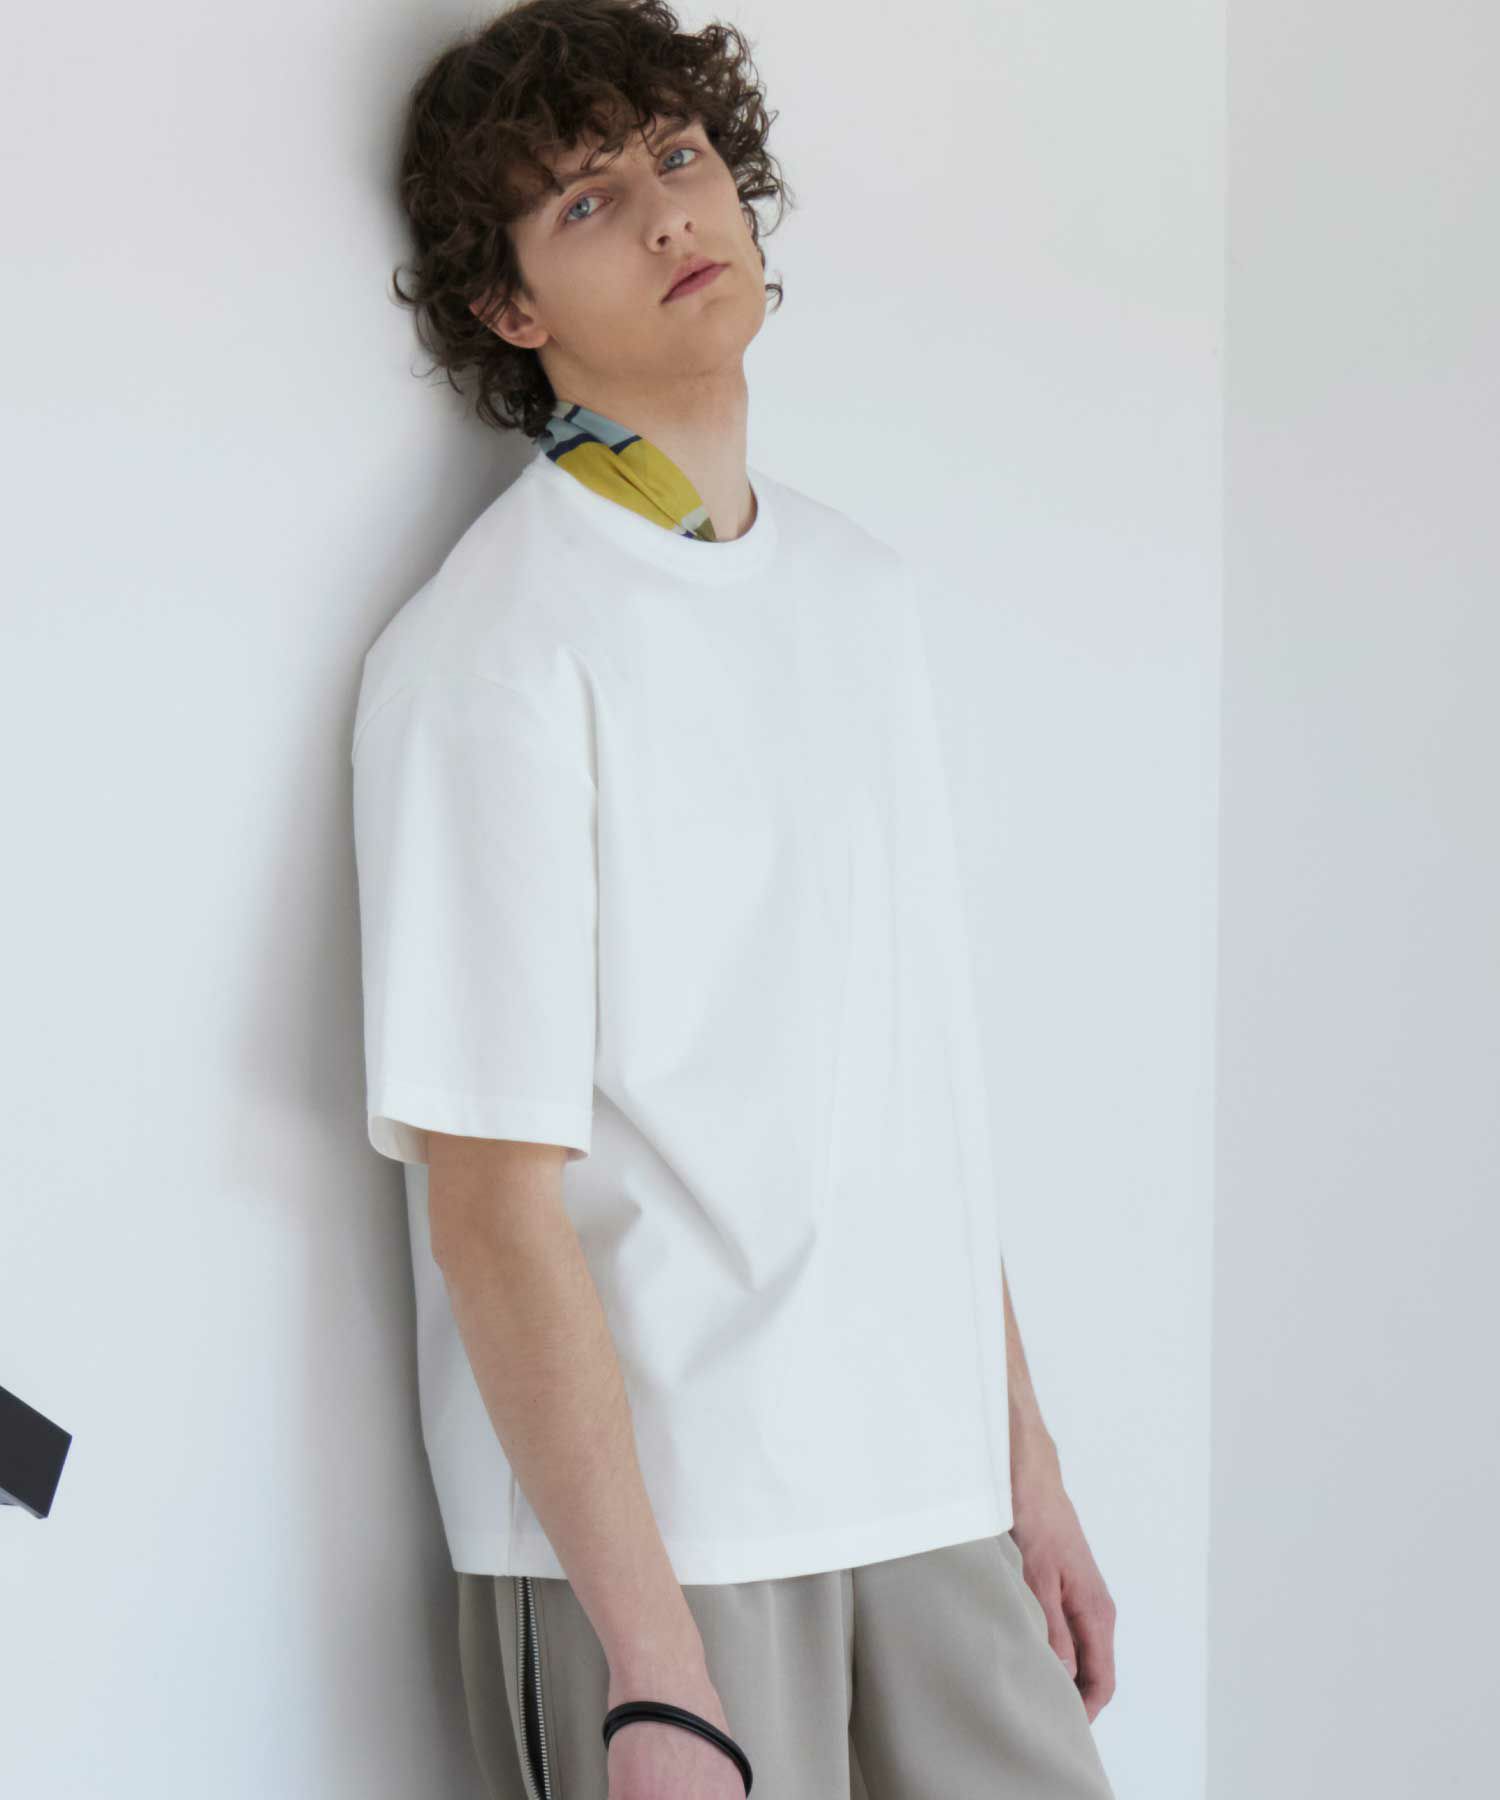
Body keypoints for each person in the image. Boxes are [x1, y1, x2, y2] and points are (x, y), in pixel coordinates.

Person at [350, 3, 1119, 1795]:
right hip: (676, 1548)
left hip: (930, 1502)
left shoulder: (861, 598)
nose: (671, 214)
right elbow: (490, 1205)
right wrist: (652, 1666)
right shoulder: (492, 654)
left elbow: (916, 1104)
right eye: (588, 202)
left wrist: (1026, 1471)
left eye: (681, 158)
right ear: (509, 308)